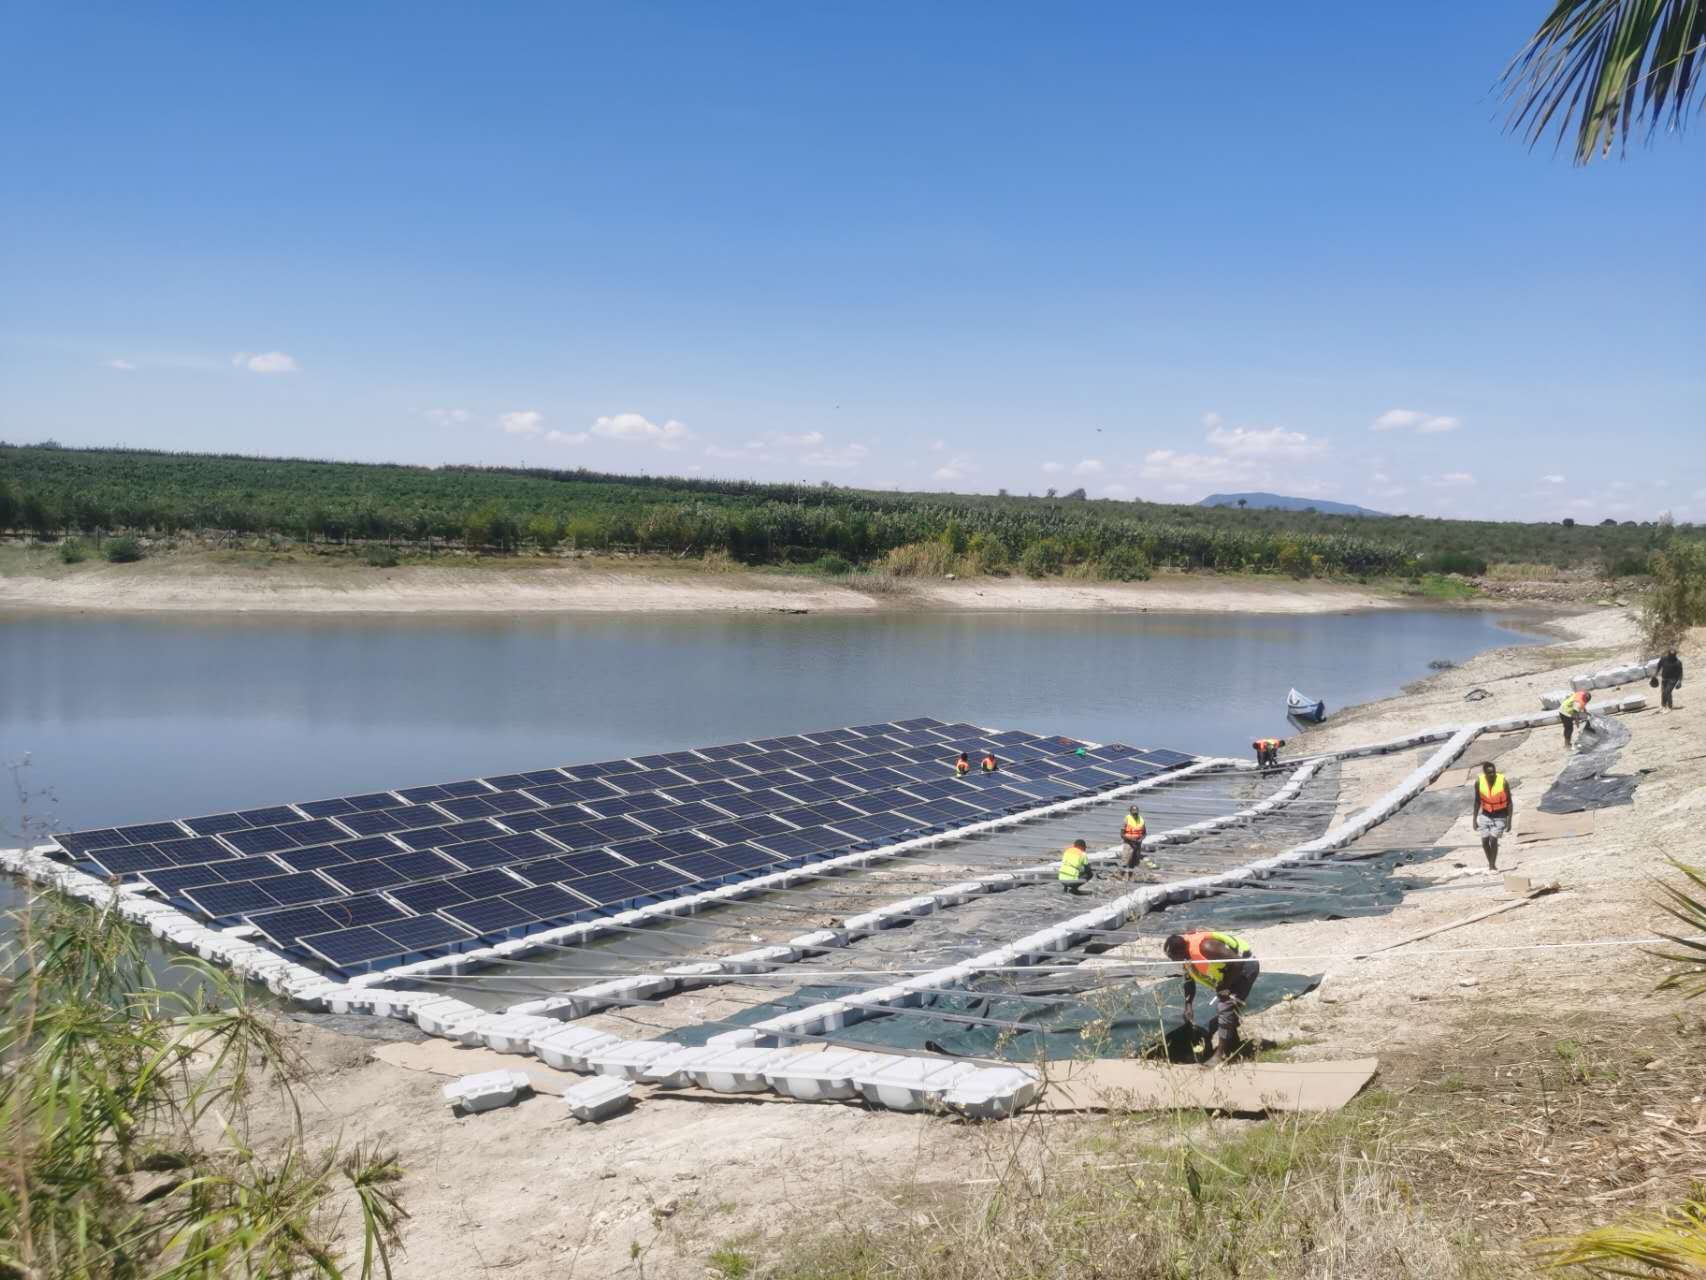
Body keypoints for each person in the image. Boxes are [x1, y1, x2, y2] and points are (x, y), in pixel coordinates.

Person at [1163, 930, 1259, 1066]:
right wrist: (1188, 1005)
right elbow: (1189, 979)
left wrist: (1224, 986)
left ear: (1181, 951)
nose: (1172, 960)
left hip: (1245, 967)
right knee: (1227, 1006)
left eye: (1173, 957)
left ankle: (1221, 1055)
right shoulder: (1185, 955)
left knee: (1225, 1007)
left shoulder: (1207, 947)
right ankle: (1233, 1044)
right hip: (1229, 972)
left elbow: (1237, 962)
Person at [1471, 760, 1514, 871]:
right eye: (1489, 773)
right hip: (1485, 814)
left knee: (1493, 839)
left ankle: (1492, 866)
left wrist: (1509, 821)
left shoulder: (1503, 782)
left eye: (1493, 772)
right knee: (1485, 841)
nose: (1492, 774)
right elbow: (1477, 801)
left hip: (1500, 815)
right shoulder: (1479, 782)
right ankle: (1491, 863)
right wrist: (1474, 819)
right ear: (1485, 774)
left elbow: (1509, 802)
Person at [1119, 806, 1154, 878]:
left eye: (1136, 813)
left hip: (1137, 843)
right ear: (1130, 812)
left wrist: (1140, 839)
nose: (1135, 815)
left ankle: (1130, 877)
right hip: (1128, 843)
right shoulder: (1127, 819)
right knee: (1125, 860)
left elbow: (1144, 833)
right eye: (1133, 813)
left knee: (1134, 861)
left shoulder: (1141, 820)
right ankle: (1120, 875)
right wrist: (1131, 841)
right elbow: (1122, 834)